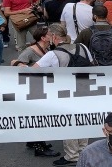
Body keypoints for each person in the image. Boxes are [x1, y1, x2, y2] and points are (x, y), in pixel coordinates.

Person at [32, 24, 91, 165]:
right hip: (85, 90)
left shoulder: (53, 54)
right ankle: (84, 151)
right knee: (83, 120)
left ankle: (72, 155)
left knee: (70, 122)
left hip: (65, 92)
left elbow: (33, 70)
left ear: (54, 37)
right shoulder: (83, 47)